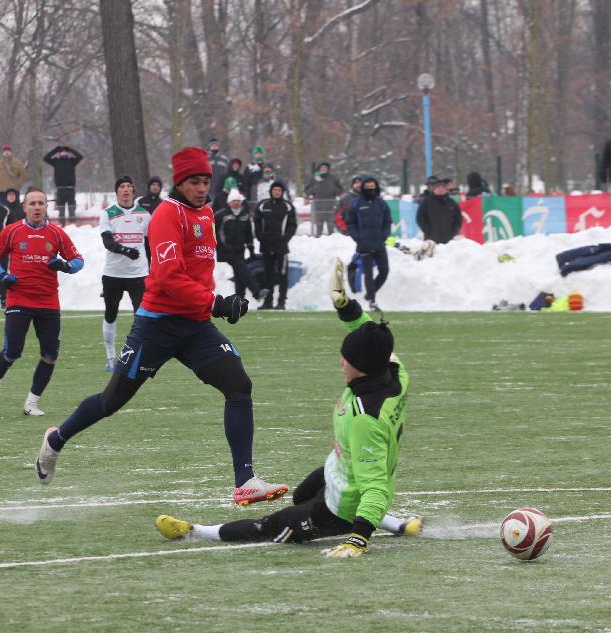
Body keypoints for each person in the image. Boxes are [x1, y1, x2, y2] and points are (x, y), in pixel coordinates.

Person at [35, 146, 288, 506]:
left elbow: (199, 270)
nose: (202, 188)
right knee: (111, 401)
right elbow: (168, 277)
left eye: (206, 182)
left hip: (195, 326)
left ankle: (245, 481)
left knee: (238, 385)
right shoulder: (167, 215)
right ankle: (55, 440)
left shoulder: (206, 213)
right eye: (194, 182)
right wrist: (216, 303)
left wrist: (220, 302)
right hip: (157, 326)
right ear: (179, 182)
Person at [155, 260, 421, 556]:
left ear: (362, 367)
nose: (341, 362)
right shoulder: (395, 373)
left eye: (346, 359)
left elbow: (375, 486)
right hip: (341, 469)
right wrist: (345, 305)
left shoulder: (365, 418)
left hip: (340, 506)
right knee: (303, 494)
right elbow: (374, 339)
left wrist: (358, 538)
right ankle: (399, 525)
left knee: (268, 527)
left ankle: (193, 531)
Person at [0, 187, 84, 416]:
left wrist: (65, 265)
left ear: (47, 206)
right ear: (24, 207)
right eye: (32, 203)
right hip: (19, 299)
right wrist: (3, 275)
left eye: (41, 203)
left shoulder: (57, 233)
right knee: (12, 351)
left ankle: (31, 402)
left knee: (50, 355)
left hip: (48, 302)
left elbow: (78, 260)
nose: (37, 207)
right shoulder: (12, 231)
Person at [98, 175, 151, 371]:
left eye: (129, 186)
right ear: (117, 191)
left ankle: (135, 355)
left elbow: (149, 244)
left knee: (141, 316)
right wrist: (125, 250)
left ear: (133, 191)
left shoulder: (144, 214)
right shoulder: (108, 213)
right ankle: (110, 356)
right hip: (113, 274)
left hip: (138, 274)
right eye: (122, 187)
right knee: (111, 314)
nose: (126, 189)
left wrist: (152, 268)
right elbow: (107, 242)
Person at [344, 177, 392, 312]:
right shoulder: (356, 203)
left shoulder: (381, 203)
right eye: (367, 186)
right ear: (363, 187)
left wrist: (384, 235)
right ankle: (372, 301)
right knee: (368, 273)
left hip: (379, 243)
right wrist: (357, 237)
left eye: (372, 186)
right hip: (364, 243)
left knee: (384, 271)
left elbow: (388, 221)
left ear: (376, 186)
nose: (370, 188)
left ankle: (370, 294)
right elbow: (350, 222)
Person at [254, 180, 297, 310]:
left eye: (279, 190)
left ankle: (281, 302)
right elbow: (256, 222)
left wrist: (285, 238)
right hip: (266, 246)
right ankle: (268, 302)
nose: (276, 192)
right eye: (274, 190)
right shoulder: (263, 205)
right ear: (271, 191)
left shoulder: (288, 206)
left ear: (282, 192)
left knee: (283, 275)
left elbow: (292, 225)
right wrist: (260, 237)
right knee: (268, 275)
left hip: (281, 248)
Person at [215, 188, 262, 302]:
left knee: (240, 274)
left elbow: (248, 234)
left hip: (240, 250)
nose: (236, 203)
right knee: (242, 269)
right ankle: (256, 292)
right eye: (234, 200)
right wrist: (225, 247)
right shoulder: (221, 215)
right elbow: (216, 233)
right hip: (226, 251)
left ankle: (239, 300)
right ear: (229, 202)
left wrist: (251, 248)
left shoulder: (245, 215)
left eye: (238, 200)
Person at [43, 143, 84, 223]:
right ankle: (62, 224)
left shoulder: (72, 161)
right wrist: (55, 150)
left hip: (70, 188)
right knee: (61, 209)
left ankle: (72, 223)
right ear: (59, 153)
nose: (63, 153)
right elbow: (46, 158)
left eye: (65, 152)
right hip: (60, 189)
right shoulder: (56, 161)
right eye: (61, 152)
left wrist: (70, 150)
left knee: (72, 208)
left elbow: (80, 156)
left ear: (67, 153)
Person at [303, 162, 344, 237]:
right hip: (318, 205)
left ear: (328, 169)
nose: (323, 169)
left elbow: (341, 190)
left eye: (325, 167)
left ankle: (333, 237)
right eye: (322, 167)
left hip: (330, 205)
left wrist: (333, 188)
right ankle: (318, 238)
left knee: (331, 224)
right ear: (319, 169)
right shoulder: (314, 178)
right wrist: (313, 189)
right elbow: (306, 190)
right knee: (319, 224)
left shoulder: (333, 178)